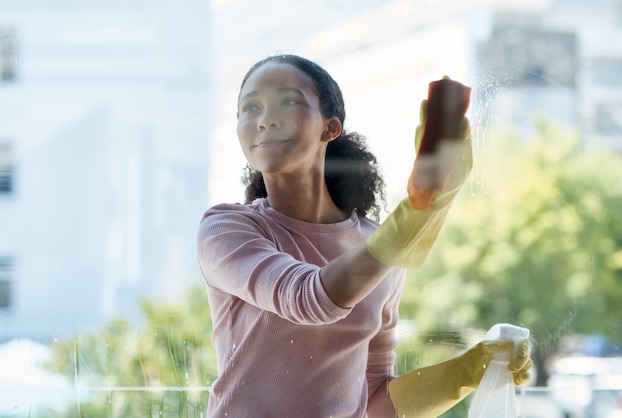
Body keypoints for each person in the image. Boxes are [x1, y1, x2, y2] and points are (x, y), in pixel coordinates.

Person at [196, 54, 532, 418]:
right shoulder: (226, 230)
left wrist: (467, 372)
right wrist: (412, 222)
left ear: (330, 128)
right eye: (249, 108)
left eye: (288, 101)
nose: (264, 120)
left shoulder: (377, 249)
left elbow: (375, 400)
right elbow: (308, 299)